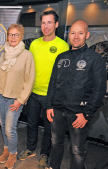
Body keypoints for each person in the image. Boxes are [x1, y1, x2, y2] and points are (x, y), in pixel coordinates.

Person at [46, 20, 106, 169]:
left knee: (77, 151)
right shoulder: (61, 57)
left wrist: (87, 114)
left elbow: (99, 90)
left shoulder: (95, 59)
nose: (76, 36)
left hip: (79, 114)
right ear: (69, 35)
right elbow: (52, 84)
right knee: (55, 144)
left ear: (87, 35)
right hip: (57, 111)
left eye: (80, 33)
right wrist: (48, 106)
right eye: (73, 33)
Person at [17, 10, 69, 168]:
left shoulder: (62, 45)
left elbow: (64, 75)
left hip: (51, 97)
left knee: (48, 128)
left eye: (49, 22)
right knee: (31, 123)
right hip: (32, 93)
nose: (46, 26)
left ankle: (45, 154)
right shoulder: (34, 44)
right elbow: (28, 67)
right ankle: (30, 148)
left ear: (56, 24)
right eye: (43, 22)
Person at [0, 23, 35, 169]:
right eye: (10, 34)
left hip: (14, 100)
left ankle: (13, 154)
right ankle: (6, 149)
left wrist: (20, 100)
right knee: (3, 126)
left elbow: (30, 80)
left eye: (16, 35)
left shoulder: (27, 55)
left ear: (21, 36)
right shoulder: (3, 54)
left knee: (10, 129)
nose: (13, 37)